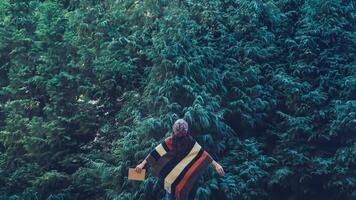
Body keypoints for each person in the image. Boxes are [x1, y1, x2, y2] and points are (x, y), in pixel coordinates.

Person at [135, 119, 224, 200]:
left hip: (181, 180)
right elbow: (155, 153)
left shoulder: (189, 142)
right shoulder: (172, 142)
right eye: (179, 132)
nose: (180, 134)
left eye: (181, 133)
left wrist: (216, 165)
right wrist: (142, 164)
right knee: (171, 196)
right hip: (170, 179)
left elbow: (202, 153)